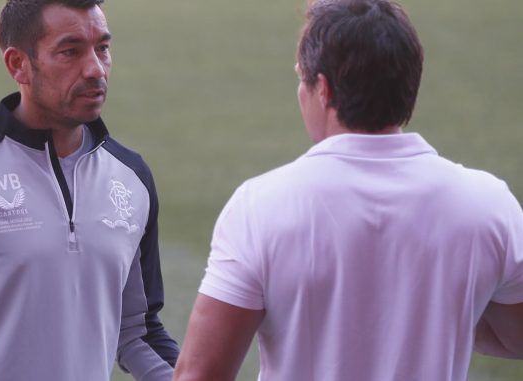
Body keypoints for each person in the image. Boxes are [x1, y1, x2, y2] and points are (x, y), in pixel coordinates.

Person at [173, 0, 523, 380]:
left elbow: (199, 375)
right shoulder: (488, 206)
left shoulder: (259, 208)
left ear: (322, 89)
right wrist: (434, 320)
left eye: (300, 77)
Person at [0, 1, 179, 380]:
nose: (95, 69)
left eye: (102, 48)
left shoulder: (132, 178)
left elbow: (137, 330)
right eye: (70, 52)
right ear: (17, 64)